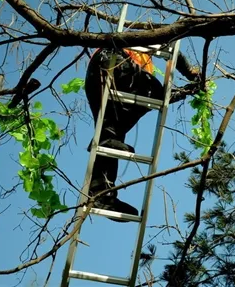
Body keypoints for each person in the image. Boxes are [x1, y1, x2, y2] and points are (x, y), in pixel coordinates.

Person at [84, 46, 200, 222]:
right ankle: (104, 175)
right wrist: (190, 72)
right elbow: (171, 46)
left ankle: (101, 194)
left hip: (98, 75)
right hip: (113, 61)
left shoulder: (140, 69)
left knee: (111, 132)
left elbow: (160, 98)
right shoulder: (141, 42)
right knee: (152, 89)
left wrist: (188, 90)